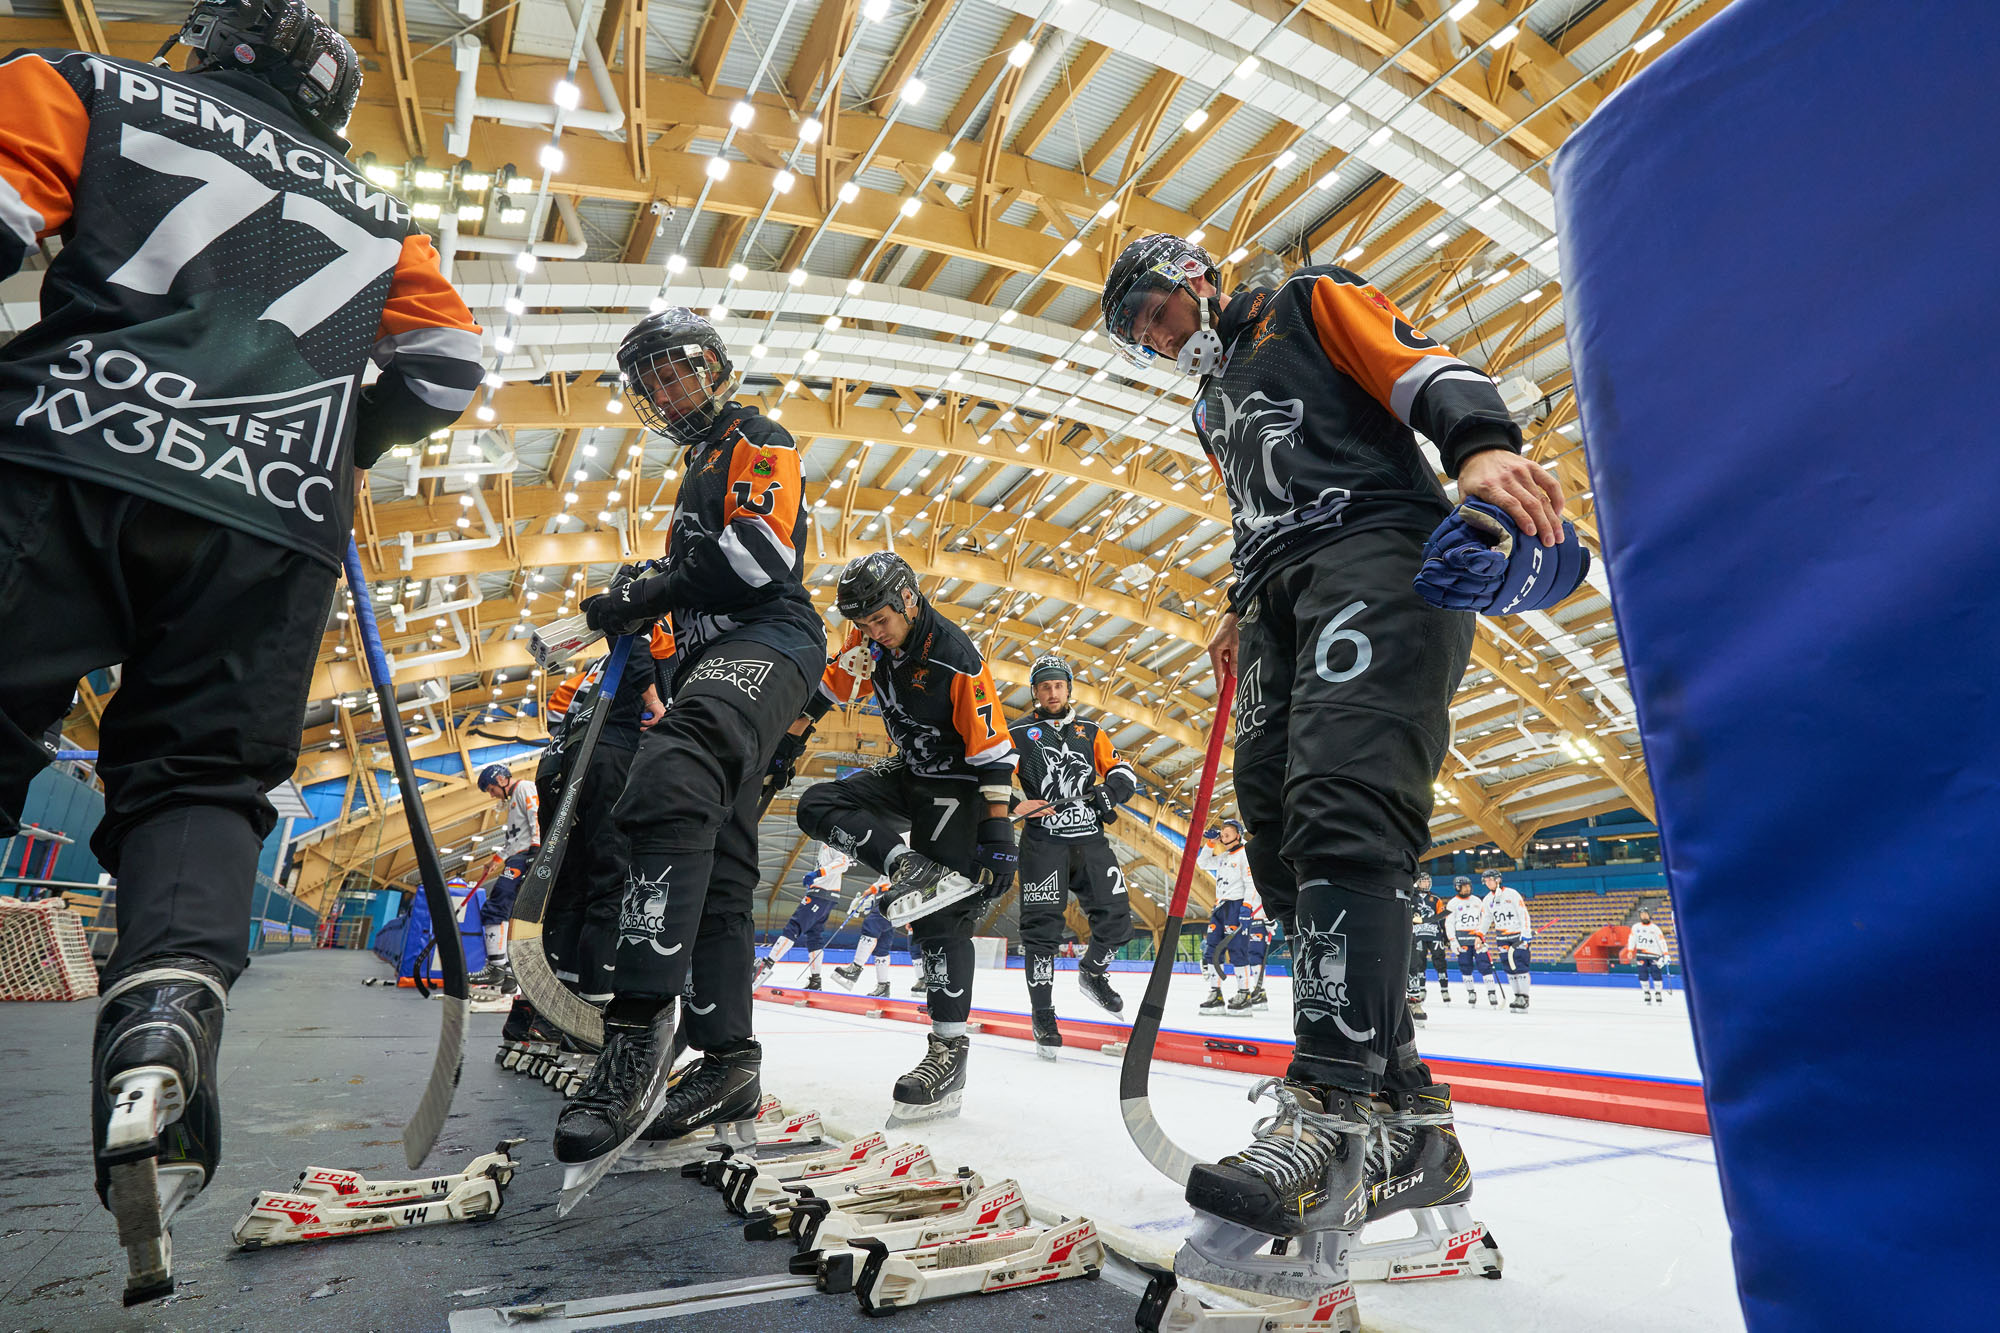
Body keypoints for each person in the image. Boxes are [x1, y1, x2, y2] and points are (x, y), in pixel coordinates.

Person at [0, 1, 482, 1302]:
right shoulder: (385, 219)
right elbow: (447, 364)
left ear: (212, 45)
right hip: (269, 508)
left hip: (68, 444)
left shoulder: (84, 83)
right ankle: (160, 1023)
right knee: (198, 778)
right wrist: (343, 439)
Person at [1100, 233, 1565, 1261]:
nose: (1154, 334)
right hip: (1276, 593)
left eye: (1157, 311)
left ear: (1195, 283)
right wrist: (1239, 600)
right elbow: (1251, 503)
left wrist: (1478, 443)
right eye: (1138, 333)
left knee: (1340, 800)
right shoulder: (1204, 406)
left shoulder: (1303, 306)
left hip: (1373, 548)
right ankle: (1413, 1125)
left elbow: (1413, 363)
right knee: (1274, 844)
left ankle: (1328, 1110)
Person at [553, 307, 822, 1181]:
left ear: (714, 367)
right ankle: (730, 1061)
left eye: (678, 370)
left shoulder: (758, 435)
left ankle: (635, 1034)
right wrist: (644, 590)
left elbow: (757, 554)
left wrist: (647, 590)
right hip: (714, 654)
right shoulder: (691, 471)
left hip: (771, 635)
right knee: (725, 857)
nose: (667, 390)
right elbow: (690, 580)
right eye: (652, 381)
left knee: (667, 773)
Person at [789, 551, 1017, 1127]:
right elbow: (825, 693)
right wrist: (787, 744)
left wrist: (997, 834)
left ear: (910, 599)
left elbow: (992, 756)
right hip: (910, 772)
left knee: (941, 924)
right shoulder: (870, 640)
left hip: (958, 784)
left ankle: (948, 1053)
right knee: (819, 802)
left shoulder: (955, 656)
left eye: (880, 622)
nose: (872, 634)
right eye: (863, 625)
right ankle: (910, 866)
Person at [500, 624, 673, 1056]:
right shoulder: (659, 620)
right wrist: (652, 699)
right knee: (611, 885)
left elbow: (559, 708)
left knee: (568, 891)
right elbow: (632, 636)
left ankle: (538, 1016)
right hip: (611, 752)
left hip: (565, 761)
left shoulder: (594, 669)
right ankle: (588, 1023)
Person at [1009, 653, 1138, 1057]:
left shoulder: (1091, 731)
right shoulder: (1017, 734)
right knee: (1042, 931)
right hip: (1043, 844)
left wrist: (1110, 792)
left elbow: (1123, 772)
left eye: (1058, 685)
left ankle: (1093, 972)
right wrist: (1018, 804)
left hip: (1090, 841)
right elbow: (993, 781)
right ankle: (1043, 1014)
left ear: (1068, 689)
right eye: (1044, 686)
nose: (1052, 692)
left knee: (1117, 917)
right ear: (1034, 692)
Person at [473, 763, 540, 994]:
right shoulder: (512, 800)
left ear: (501, 780)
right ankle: (510, 973)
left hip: (524, 857)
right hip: (516, 856)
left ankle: (497, 966)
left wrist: (536, 852)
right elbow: (513, 841)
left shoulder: (524, 788)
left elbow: (536, 817)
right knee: (511, 914)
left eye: (491, 789)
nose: (492, 795)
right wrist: (496, 859)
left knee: (496, 906)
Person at [1195, 820, 1255, 1015]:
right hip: (1219, 907)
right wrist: (1210, 843)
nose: (1224, 835)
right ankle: (1215, 993)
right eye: (1222, 833)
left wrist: (1247, 907)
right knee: (1212, 949)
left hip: (1236, 906)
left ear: (1238, 834)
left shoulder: (1245, 854)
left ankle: (1244, 993)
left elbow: (1251, 882)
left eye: (1228, 832)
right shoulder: (1223, 857)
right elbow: (1202, 863)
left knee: (1237, 950)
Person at [754, 864, 839, 990]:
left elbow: (842, 862)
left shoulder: (831, 845)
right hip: (826, 894)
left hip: (820, 893)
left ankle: (766, 966)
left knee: (793, 927)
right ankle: (816, 981)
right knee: (814, 936)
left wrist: (817, 873)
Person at [834, 870, 898, 997]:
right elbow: (883, 880)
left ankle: (855, 969)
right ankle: (883, 987)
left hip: (892, 895)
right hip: (887, 896)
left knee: (871, 925)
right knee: (882, 947)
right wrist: (868, 892)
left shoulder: (900, 854)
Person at [1479, 867, 1533, 1012]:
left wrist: (1526, 933)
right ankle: (1517, 996)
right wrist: (1479, 935)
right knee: (1509, 969)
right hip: (1502, 938)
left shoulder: (1512, 894)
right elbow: (1486, 919)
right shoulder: (1487, 899)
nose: (1488, 883)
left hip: (1517, 936)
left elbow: (1523, 913)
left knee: (1520, 966)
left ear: (1498, 879)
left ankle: (1524, 997)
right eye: (1486, 881)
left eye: (1490, 879)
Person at [1444, 875, 1493, 1006]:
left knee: (1485, 966)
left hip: (1477, 939)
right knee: (1465, 967)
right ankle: (1471, 992)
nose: (1467, 888)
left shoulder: (1477, 900)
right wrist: (1453, 941)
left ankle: (1491, 992)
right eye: (1464, 886)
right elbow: (1449, 923)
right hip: (1462, 940)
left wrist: (1482, 935)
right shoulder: (1452, 903)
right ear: (1457, 887)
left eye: (1468, 886)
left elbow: (1484, 918)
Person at [1408, 873, 1445, 1023]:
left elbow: (1417, 918)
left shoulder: (1416, 896)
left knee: (1413, 966)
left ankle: (1414, 1001)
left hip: (1408, 934)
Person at [1629, 909, 1670, 1003]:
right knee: (1642, 974)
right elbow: (1632, 939)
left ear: (1649, 915)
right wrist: (1630, 950)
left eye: (1645, 914)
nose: (1644, 916)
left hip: (1654, 955)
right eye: (1642, 914)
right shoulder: (1635, 927)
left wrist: (1666, 954)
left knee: (1656, 974)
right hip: (1641, 954)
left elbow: (1661, 941)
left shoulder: (1655, 928)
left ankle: (1658, 993)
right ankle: (1646, 992)